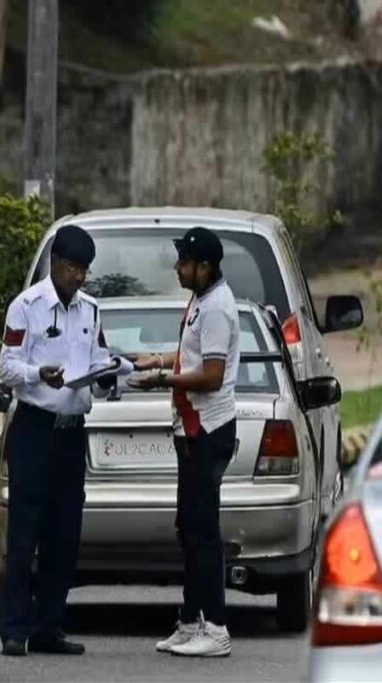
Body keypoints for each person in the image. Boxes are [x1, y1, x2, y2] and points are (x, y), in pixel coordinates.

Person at [0, 225, 133, 658]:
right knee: (24, 533)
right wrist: (41, 374)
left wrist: (115, 375)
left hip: (72, 435)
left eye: (84, 270)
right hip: (35, 428)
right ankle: (15, 630)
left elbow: (96, 358)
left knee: (64, 535)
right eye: (73, 268)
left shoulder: (91, 310)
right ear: (56, 264)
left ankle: (49, 627)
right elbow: (7, 367)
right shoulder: (27, 307)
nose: (79, 277)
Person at [131, 226, 240, 658]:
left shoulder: (217, 309)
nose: (177, 268)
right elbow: (192, 357)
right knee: (188, 529)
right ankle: (190, 619)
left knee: (204, 533)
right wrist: (158, 359)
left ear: (204, 266)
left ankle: (215, 626)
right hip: (191, 429)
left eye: (183, 262)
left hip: (207, 430)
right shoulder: (201, 300)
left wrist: (161, 379)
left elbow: (211, 377)